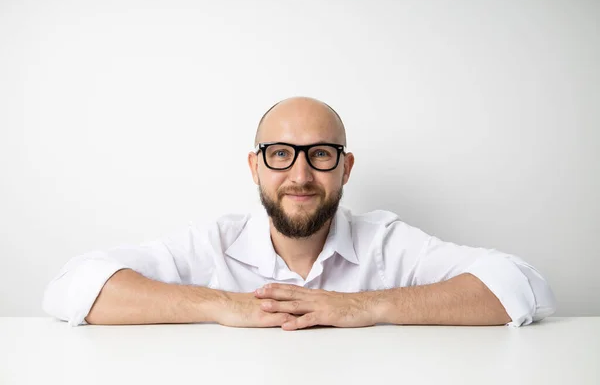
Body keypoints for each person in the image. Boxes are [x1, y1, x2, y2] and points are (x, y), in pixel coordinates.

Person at [43, 96, 556, 330]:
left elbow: (522, 286)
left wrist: (362, 308)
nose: (301, 175)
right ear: (255, 166)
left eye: (321, 154)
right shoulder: (212, 244)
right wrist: (225, 305)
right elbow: (73, 286)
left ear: (346, 167)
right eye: (281, 153)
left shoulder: (386, 242)